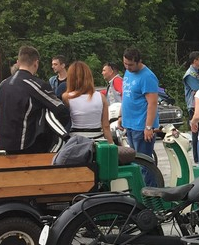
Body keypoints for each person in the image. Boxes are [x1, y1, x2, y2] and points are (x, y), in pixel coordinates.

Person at [0, 45, 70, 154]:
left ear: (18, 62)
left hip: (6, 144)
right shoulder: (36, 85)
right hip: (29, 144)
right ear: (36, 63)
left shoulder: (3, 85)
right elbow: (61, 110)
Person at [121, 47, 160, 184]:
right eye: (125, 64)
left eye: (131, 64)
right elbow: (126, 95)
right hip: (130, 123)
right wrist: (121, 116)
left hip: (141, 125)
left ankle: (152, 190)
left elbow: (152, 103)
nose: (127, 67)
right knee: (135, 162)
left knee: (144, 163)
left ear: (139, 61)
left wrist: (148, 127)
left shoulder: (147, 77)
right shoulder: (128, 71)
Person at [62, 61, 114, 144]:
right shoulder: (101, 97)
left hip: (76, 141)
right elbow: (106, 126)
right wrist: (111, 145)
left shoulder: (67, 97)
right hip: (98, 141)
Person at [183, 51, 199, 160]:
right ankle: (197, 156)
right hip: (194, 106)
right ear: (195, 61)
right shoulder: (190, 74)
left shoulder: (198, 72)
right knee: (196, 131)